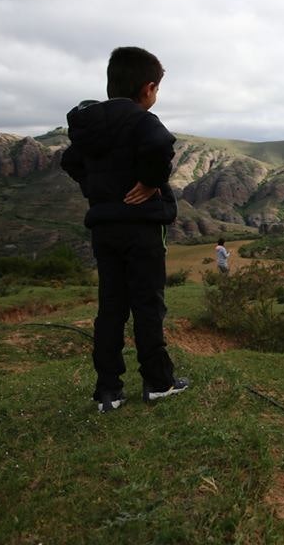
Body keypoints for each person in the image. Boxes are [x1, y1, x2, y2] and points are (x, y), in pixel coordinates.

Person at [61, 46, 188, 412]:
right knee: (148, 305)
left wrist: (97, 191)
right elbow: (162, 143)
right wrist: (149, 182)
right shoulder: (141, 120)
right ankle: (159, 382)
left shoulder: (91, 125)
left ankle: (108, 391)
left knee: (111, 307)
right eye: (157, 90)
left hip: (105, 229)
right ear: (148, 88)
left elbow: (69, 160)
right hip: (142, 228)